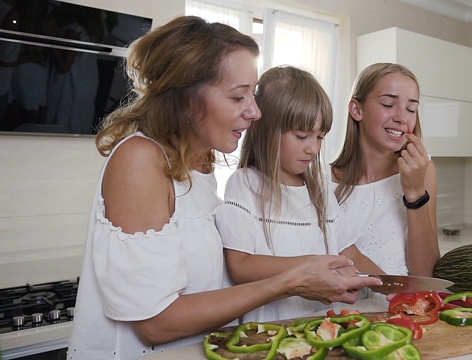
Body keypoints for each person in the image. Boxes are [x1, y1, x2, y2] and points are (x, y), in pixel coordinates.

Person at [66, 17, 382, 360]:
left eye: (253, 93)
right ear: (188, 98)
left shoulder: (199, 165)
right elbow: (154, 323)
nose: (255, 112)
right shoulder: (139, 159)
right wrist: (290, 282)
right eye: (237, 97)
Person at [215, 66, 384, 322]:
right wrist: (312, 267)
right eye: (302, 136)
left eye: (320, 137)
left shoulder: (321, 191)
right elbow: (240, 265)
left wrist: (393, 285)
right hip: (268, 332)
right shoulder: (245, 184)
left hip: (322, 326)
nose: (313, 148)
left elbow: (350, 254)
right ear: (262, 129)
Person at [330, 63, 440, 278]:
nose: (402, 117)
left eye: (411, 109)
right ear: (357, 109)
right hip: (340, 311)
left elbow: (425, 274)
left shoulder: (423, 170)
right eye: (389, 104)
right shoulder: (321, 180)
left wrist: (415, 193)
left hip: (397, 308)